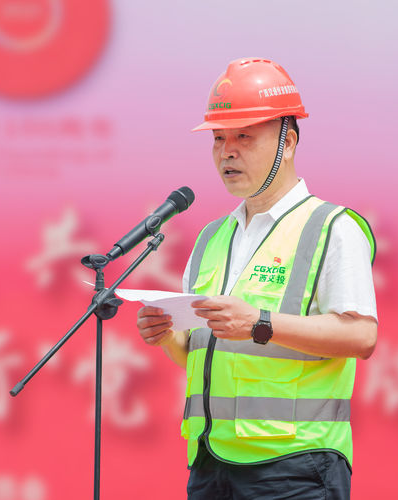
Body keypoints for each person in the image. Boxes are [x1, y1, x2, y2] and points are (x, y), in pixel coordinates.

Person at [136, 57, 378, 500]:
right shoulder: (212, 237)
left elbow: (361, 336)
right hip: (211, 464)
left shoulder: (331, 227)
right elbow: (205, 353)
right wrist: (169, 336)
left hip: (296, 465)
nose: (227, 152)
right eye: (219, 138)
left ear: (289, 142)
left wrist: (260, 323)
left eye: (244, 136)